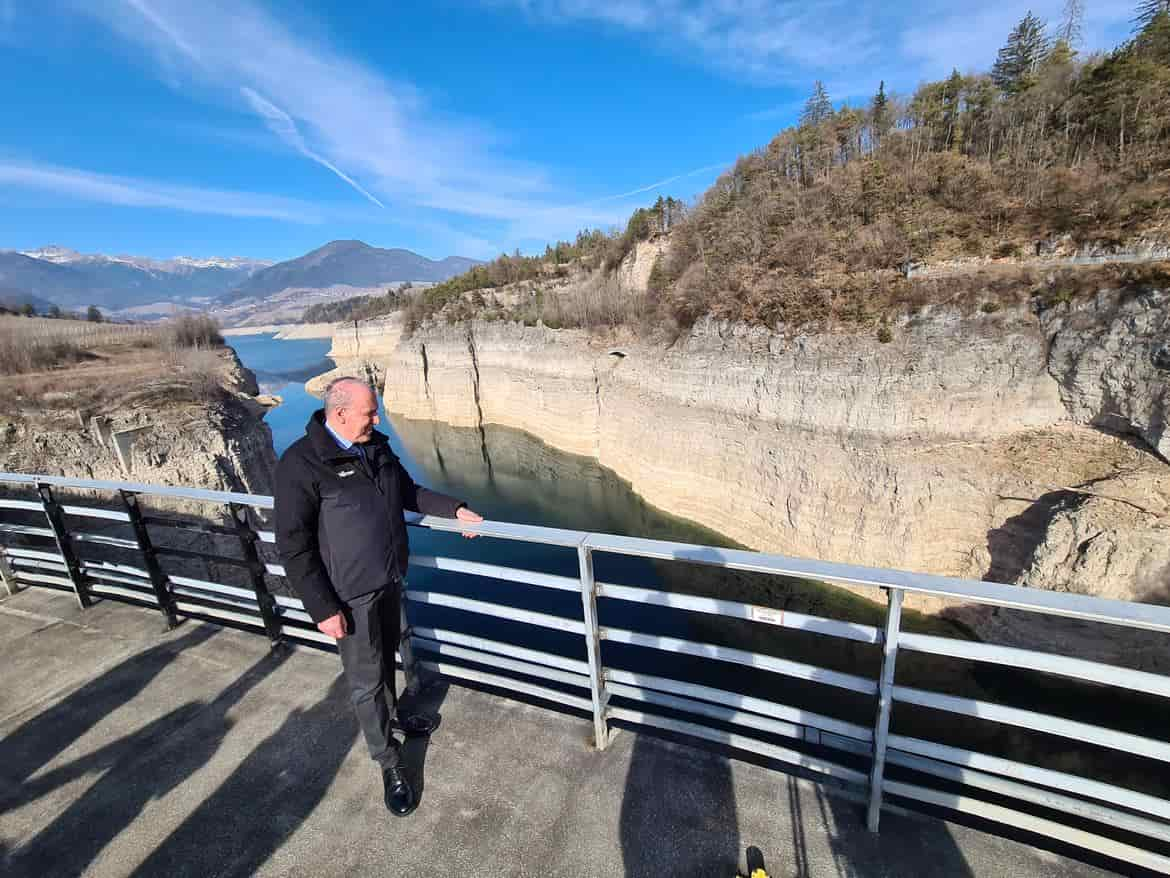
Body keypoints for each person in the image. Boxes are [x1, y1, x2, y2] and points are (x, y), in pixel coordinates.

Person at [274, 376, 483, 816]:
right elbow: (293, 544)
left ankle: (398, 718)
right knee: (367, 682)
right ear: (340, 413)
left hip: (389, 579)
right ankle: (389, 762)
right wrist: (323, 607)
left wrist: (454, 508)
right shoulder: (303, 463)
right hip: (350, 597)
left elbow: (407, 492)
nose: (377, 418)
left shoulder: (377, 447)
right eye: (370, 412)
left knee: (390, 655)